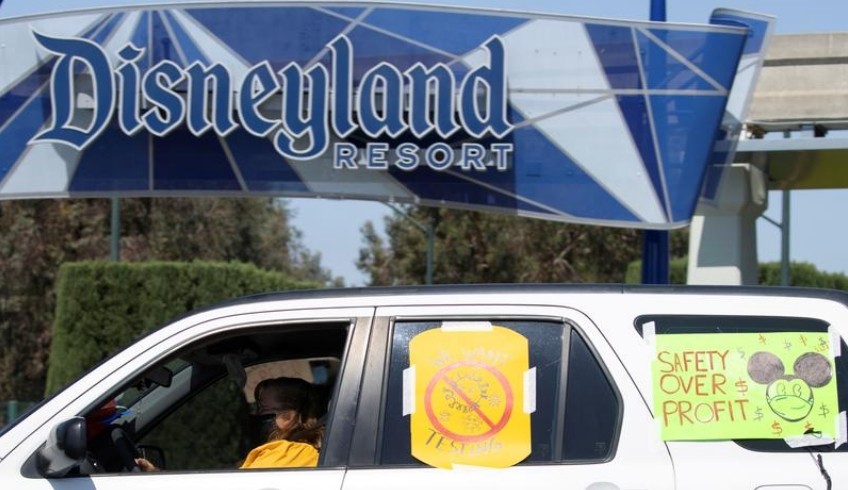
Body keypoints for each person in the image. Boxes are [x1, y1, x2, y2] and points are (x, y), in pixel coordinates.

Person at [239, 376, 322, 469]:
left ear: (289, 416)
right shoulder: (308, 451)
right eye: (258, 409)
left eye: (265, 409)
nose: (258, 414)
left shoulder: (288, 453)